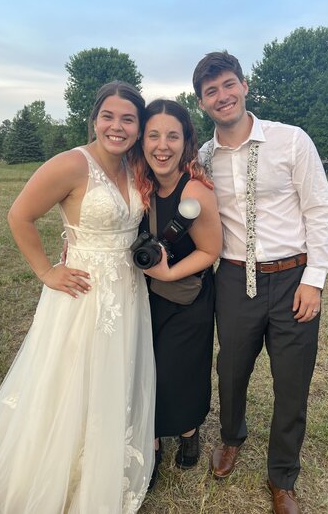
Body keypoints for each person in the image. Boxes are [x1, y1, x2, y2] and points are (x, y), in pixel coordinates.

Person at [0, 81, 156, 514]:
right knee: (71, 377)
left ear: (138, 127)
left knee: (114, 373)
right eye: (109, 116)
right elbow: (20, 215)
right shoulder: (71, 164)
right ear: (94, 118)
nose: (117, 127)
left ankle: (103, 458)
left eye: (128, 119)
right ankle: (55, 468)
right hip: (83, 293)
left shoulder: (133, 166)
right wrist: (46, 270)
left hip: (128, 290)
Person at [193, 51, 328, 514]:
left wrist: (314, 280)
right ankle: (232, 437)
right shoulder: (203, 157)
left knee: (291, 382)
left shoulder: (290, 140)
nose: (223, 96)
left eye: (228, 84)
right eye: (211, 91)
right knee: (231, 370)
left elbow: (320, 210)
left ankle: (283, 477)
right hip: (234, 278)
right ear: (201, 102)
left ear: (244, 85)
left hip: (292, 275)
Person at [129, 99, 222, 487]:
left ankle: (187, 431)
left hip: (188, 295)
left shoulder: (195, 192)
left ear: (186, 142)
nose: (162, 145)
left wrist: (167, 272)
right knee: (142, 368)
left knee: (177, 372)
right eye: (153, 135)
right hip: (141, 297)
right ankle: (149, 444)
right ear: (142, 141)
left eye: (173, 136)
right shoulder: (136, 185)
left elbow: (210, 250)